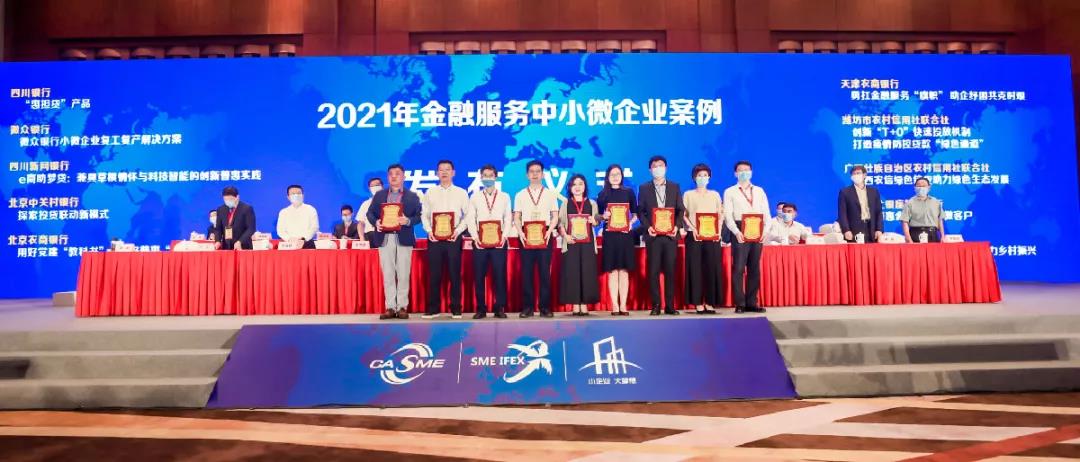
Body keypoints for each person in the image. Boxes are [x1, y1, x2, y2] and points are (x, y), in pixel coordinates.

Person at [367, 164, 422, 320]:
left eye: (397, 173)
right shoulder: (379, 195)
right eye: (391, 174)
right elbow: (370, 213)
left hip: (404, 238)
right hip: (385, 238)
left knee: (403, 274)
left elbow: (419, 216)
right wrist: (376, 222)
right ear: (388, 177)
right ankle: (390, 307)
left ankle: (402, 306)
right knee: (388, 274)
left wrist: (408, 221)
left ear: (404, 176)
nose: (394, 176)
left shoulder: (412, 196)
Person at [421, 160, 469, 320]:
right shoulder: (430, 192)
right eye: (441, 170)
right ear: (437, 173)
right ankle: (433, 309)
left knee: (455, 274)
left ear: (453, 172)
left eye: (447, 169)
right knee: (434, 274)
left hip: (453, 237)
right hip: (434, 238)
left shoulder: (461, 193)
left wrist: (458, 231)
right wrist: (429, 231)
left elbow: (467, 215)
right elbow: (424, 214)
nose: (444, 172)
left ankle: (456, 308)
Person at [638, 155, 684, 316]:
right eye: (655, 166)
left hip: (670, 236)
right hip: (653, 236)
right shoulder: (644, 188)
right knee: (654, 271)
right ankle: (656, 305)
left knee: (670, 271)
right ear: (650, 169)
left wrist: (677, 227)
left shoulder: (674, 186)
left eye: (661, 165)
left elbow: (680, 210)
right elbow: (641, 212)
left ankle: (670, 305)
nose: (658, 168)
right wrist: (648, 227)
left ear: (666, 168)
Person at [723, 160, 771, 314]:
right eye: (740, 170)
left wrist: (765, 232)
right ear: (735, 174)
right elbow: (728, 216)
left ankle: (752, 302)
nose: (744, 172)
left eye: (746, 170)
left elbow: (767, 214)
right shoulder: (730, 191)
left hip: (757, 229)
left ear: (751, 172)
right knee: (738, 268)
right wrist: (736, 232)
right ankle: (740, 303)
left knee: (754, 268)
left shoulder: (759, 191)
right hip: (740, 229)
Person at [513, 160, 559, 318]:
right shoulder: (520, 195)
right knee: (526, 273)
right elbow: (517, 217)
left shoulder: (550, 194)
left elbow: (555, 215)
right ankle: (528, 307)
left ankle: (545, 307)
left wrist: (550, 230)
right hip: (526, 237)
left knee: (545, 273)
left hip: (545, 236)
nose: (535, 174)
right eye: (531, 171)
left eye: (538, 171)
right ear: (527, 175)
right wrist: (520, 232)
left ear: (543, 174)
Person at [466, 164, 512, 319]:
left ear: (495, 177)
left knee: (500, 275)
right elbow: (470, 219)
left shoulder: (505, 196)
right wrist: (475, 237)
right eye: (485, 176)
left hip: (499, 242)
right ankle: (481, 308)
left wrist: (504, 236)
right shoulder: (475, 197)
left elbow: (508, 218)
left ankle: (500, 308)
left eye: (490, 175)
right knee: (479, 276)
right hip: (480, 242)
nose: (487, 178)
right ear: (481, 178)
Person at [596, 164, 636, 316]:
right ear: (607, 177)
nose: (615, 177)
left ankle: (623, 305)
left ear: (622, 176)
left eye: (617, 174)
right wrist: (603, 216)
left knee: (624, 271)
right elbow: (597, 216)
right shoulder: (602, 194)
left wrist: (630, 224)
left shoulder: (629, 192)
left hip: (625, 235)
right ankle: (615, 305)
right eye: (612, 174)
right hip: (610, 235)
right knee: (613, 271)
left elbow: (635, 213)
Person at [683, 163, 723, 315]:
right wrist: (693, 228)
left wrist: (718, 231)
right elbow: (684, 215)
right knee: (695, 269)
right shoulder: (688, 195)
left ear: (709, 178)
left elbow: (720, 214)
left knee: (712, 268)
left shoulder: (715, 195)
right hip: (694, 236)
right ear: (694, 177)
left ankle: (710, 302)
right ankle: (698, 302)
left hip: (712, 237)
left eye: (705, 175)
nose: (702, 178)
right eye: (699, 175)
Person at [559, 174, 601, 316]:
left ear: (585, 187)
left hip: (588, 243)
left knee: (587, 273)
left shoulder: (592, 203)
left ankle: (584, 304)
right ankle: (575, 304)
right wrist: (565, 236)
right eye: (574, 184)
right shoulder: (565, 203)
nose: (577, 187)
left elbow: (596, 221)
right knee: (573, 274)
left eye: (580, 184)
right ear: (570, 188)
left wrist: (594, 221)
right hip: (571, 243)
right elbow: (560, 224)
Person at [838, 165, 883, 243]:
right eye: (854, 174)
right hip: (853, 230)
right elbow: (842, 214)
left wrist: (879, 229)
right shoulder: (845, 192)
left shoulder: (874, 192)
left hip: (871, 229)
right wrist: (846, 230)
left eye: (858, 173)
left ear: (864, 175)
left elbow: (878, 212)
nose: (856, 175)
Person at [901, 177, 945, 243]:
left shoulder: (936, 202)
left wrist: (942, 236)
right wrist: (909, 239)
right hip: (915, 234)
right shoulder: (909, 203)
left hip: (933, 234)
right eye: (919, 186)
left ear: (929, 187)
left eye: (924, 186)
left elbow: (940, 220)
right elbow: (904, 222)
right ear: (915, 188)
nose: (921, 188)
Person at [276, 184, 319, 249]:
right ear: (288, 197)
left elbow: (314, 227)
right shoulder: (283, 212)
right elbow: (280, 230)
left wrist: (303, 238)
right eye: (293, 194)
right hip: (289, 244)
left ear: (303, 195)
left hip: (307, 243)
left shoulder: (311, 209)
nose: (296, 195)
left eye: (299, 193)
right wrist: (289, 239)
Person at [214, 185, 256, 250]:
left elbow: (251, 229)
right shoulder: (221, 209)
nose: (228, 201)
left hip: (243, 246)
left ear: (237, 197)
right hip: (226, 247)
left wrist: (240, 241)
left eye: (230, 199)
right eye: (225, 199)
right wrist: (217, 241)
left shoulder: (247, 209)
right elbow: (218, 229)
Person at [358, 177, 383, 241]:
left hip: (385, 235)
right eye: (372, 186)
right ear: (369, 189)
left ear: (382, 186)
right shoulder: (365, 204)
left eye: (377, 185)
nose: (375, 188)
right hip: (369, 236)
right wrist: (361, 237)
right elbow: (361, 223)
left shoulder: (389, 201)